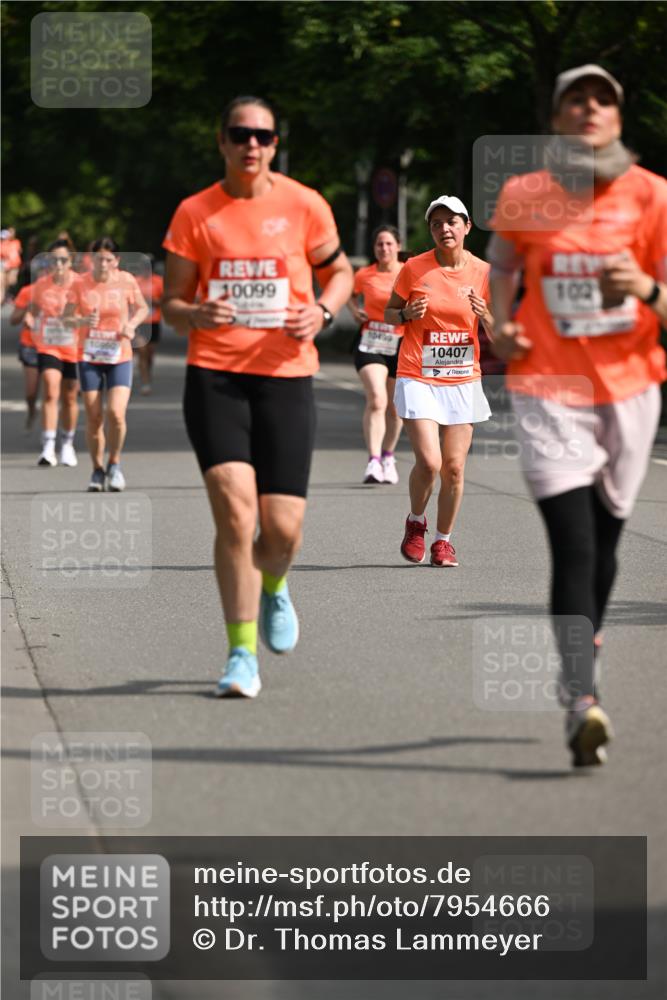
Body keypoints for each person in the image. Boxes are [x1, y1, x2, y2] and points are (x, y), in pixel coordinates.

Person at [488, 65, 667, 767]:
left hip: (631, 389)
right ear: (557, 117)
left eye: (602, 99)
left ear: (617, 117)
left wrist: (645, 287)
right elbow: (500, 267)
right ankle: (581, 699)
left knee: (606, 535)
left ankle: (579, 646)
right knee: (573, 543)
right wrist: (501, 327)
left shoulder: (652, 195)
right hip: (548, 387)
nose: (588, 109)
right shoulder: (525, 194)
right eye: (574, 99)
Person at [162, 94, 353, 698]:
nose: (252, 144)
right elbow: (168, 306)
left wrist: (322, 311)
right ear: (221, 140)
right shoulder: (196, 212)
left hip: (287, 376)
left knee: (282, 530)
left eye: (263, 136)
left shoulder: (305, 205)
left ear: (275, 144)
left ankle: (275, 584)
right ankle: (240, 654)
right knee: (236, 512)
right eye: (240, 133)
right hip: (215, 377)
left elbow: (341, 272)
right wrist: (195, 311)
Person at [384, 196, 493, 568]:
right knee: (429, 463)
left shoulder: (484, 272)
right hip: (418, 374)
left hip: (463, 377)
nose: (444, 229)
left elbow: (502, 329)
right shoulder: (414, 268)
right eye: (436, 224)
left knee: (455, 468)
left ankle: (443, 542)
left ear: (466, 227)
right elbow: (389, 311)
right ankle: (416, 524)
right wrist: (406, 313)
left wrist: (487, 315)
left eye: (451, 222)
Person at [63, 237, 148, 491]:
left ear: (117, 261)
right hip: (89, 355)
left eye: (109, 259)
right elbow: (66, 318)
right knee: (94, 416)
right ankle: (97, 470)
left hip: (118, 355)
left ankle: (115, 463)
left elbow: (142, 308)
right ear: (91, 259)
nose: (103, 263)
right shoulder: (79, 283)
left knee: (116, 414)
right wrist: (81, 322)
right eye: (99, 258)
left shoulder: (126, 281)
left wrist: (131, 326)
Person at [348, 225, 405, 484]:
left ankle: (388, 456)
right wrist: (353, 309)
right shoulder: (364, 274)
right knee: (377, 399)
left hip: (402, 342)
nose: (384, 249)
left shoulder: (408, 273)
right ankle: (372, 462)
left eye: (389, 244)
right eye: (380, 244)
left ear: (398, 246)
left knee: (395, 408)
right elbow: (349, 292)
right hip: (371, 340)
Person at [30, 240, 80, 467]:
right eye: (54, 260)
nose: (58, 264)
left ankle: (67, 443)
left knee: (70, 395)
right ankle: (48, 446)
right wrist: (32, 324)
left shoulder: (81, 284)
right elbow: (31, 312)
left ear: (71, 261)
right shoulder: (40, 285)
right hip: (49, 345)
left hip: (75, 347)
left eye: (63, 260)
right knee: (50, 389)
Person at [10, 282, 40, 429]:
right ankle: (32, 410)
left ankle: (50, 433)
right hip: (31, 345)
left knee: (53, 394)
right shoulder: (28, 291)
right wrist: (26, 309)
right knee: (31, 392)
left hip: (57, 347)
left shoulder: (68, 289)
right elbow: (13, 320)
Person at [135, 254, 164, 394]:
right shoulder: (136, 281)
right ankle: (145, 383)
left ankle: (147, 372)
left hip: (154, 321)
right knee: (142, 352)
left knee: (150, 354)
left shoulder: (158, 281)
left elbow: (164, 301)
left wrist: (152, 300)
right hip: (140, 323)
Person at [1, 226, 22, 303]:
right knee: (3, 282)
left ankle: (8, 294)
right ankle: (3, 296)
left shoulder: (17, 242)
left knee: (12, 281)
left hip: (15, 265)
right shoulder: (4, 242)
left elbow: (19, 251)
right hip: (5, 265)